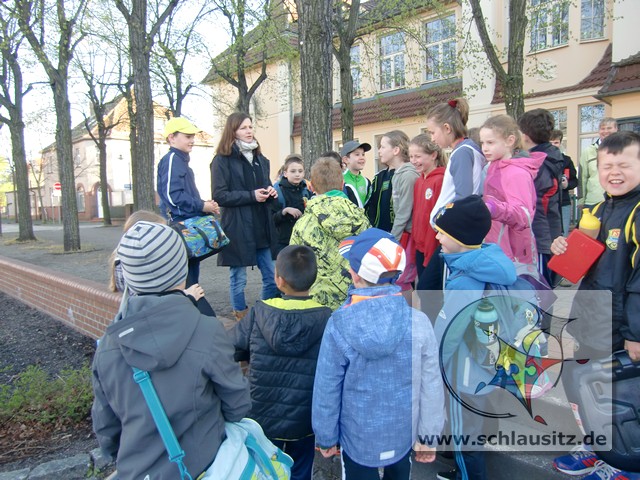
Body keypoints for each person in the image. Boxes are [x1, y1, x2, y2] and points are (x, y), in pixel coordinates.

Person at [92, 221, 251, 480]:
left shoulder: (109, 346)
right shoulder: (207, 331)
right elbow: (237, 404)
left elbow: (106, 426)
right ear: (181, 268)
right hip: (204, 466)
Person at [313, 228, 444, 479]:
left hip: (357, 435)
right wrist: (428, 436)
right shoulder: (419, 322)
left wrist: (326, 435)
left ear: (355, 274)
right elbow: (431, 384)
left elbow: (327, 386)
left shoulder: (339, 323)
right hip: (402, 432)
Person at [550, 131, 640, 480]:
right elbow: (577, 265)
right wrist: (563, 247)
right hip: (594, 319)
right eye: (607, 165)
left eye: (625, 165)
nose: (614, 172)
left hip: (624, 328)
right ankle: (598, 444)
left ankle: (626, 463)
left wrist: (636, 333)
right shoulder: (600, 209)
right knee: (591, 388)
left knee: (626, 394)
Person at [432, 195, 518, 480]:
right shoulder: (488, 259)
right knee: (473, 421)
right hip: (485, 364)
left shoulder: (466, 279)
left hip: (463, 371)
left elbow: (449, 332)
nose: (437, 236)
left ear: (460, 237)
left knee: (463, 431)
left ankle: (468, 475)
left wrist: (433, 365)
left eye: (442, 233)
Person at [231, 245, 331, 480]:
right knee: (301, 469)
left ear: (278, 279)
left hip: (262, 414)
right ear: (314, 279)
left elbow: (231, 347)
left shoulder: (259, 312)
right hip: (305, 418)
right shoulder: (326, 317)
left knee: (264, 467)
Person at [421, 97, 486, 320]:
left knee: (437, 291)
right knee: (428, 288)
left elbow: (463, 198)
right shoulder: (468, 150)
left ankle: (438, 336)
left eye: (432, 132)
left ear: (447, 128)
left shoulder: (461, 153)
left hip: (453, 238)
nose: (432, 138)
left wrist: (445, 223)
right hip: (451, 235)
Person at [211, 112, 279, 321]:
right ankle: (241, 316)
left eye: (250, 127)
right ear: (232, 131)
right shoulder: (221, 161)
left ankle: (261, 314)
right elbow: (220, 196)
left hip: (261, 226)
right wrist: (252, 195)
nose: (249, 131)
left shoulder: (260, 159)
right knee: (238, 278)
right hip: (238, 227)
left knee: (271, 278)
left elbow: (264, 187)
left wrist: (271, 193)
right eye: (243, 128)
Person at [156, 117, 220, 314]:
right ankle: (194, 316)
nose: (192, 140)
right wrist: (201, 205)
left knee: (190, 275)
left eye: (192, 136)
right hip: (181, 227)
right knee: (187, 279)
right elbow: (171, 196)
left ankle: (192, 317)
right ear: (171, 138)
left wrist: (204, 206)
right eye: (187, 136)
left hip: (185, 224)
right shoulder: (173, 160)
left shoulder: (180, 160)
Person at [290, 157, 370, 311]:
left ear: (312, 187)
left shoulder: (303, 224)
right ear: (342, 185)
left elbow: (295, 264)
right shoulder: (361, 218)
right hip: (353, 300)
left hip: (316, 303)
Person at [481, 114, 544, 264]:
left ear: (510, 141)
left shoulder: (517, 173)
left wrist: (493, 208)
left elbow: (524, 215)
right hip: (497, 245)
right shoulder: (493, 167)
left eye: (490, 142)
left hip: (515, 251)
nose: (484, 148)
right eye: (482, 143)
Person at [517, 109, 565, 284]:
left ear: (525, 136)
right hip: (547, 233)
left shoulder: (539, 164)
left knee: (540, 291)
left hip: (540, 238)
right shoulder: (549, 156)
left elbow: (537, 202)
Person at [410, 134, 445, 282]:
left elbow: (436, 219)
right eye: (411, 156)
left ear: (433, 155)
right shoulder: (419, 181)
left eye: (417, 156)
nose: (413, 161)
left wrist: (430, 252)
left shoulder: (440, 180)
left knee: (429, 293)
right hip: (419, 247)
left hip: (433, 248)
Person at [272, 156, 313, 255]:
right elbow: (271, 218)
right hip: (283, 241)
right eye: (293, 171)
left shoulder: (306, 191)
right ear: (285, 173)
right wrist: (284, 211)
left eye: (300, 171)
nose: (297, 174)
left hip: (303, 238)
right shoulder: (277, 191)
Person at [579, 117, 618, 211]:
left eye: (609, 128)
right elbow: (582, 178)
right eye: (603, 128)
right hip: (593, 202)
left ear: (616, 129)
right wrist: (581, 201)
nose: (605, 131)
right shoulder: (588, 151)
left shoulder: (624, 150)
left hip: (617, 201)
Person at [550, 129, 579, 236]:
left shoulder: (566, 160)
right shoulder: (541, 160)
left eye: (556, 142)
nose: (553, 145)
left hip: (563, 202)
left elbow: (575, 181)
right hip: (547, 203)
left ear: (560, 143)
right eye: (550, 142)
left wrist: (567, 185)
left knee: (564, 235)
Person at [341, 140, 372, 208]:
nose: (362, 158)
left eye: (363, 154)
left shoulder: (366, 182)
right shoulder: (340, 180)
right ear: (346, 159)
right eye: (357, 154)